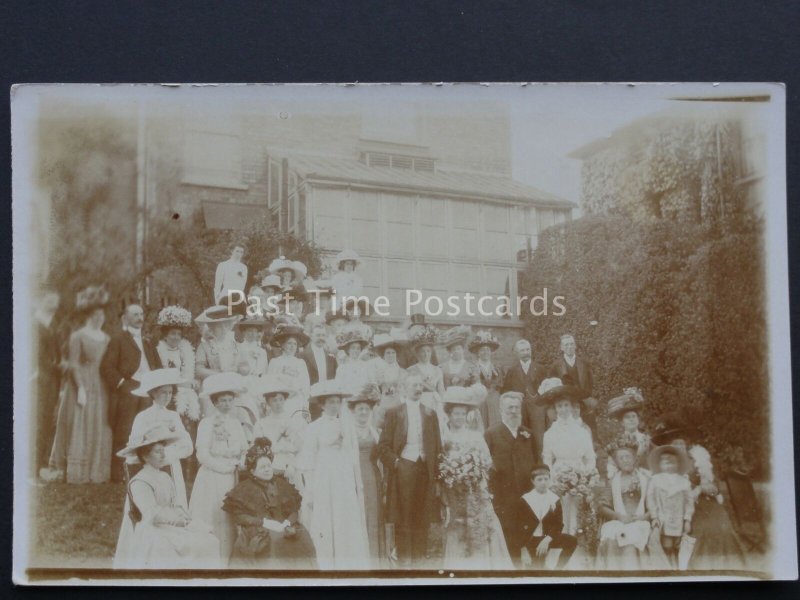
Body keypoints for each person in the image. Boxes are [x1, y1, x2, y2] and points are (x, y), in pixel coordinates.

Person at [113, 423, 220, 569]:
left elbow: (175, 504)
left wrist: (184, 518)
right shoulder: (139, 482)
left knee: (209, 540)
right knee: (173, 548)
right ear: (145, 455)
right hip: (153, 530)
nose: (163, 455)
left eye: (163, 450)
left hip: (172, 526)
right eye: (158, 452)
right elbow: (152, 514)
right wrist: (177, 521)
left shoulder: (165, 476)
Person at [651, 414, 747, 570]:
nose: (680, 447)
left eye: (682, 443)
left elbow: (715, 488)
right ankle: (701, 571)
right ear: (668, 447)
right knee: (702, 531)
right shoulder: (665, 463)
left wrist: (703, 488)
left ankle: (728, 569)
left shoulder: (698, 458)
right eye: (675, 444)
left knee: (722, 528)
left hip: (705, 504)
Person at [297, 379, 370, 569]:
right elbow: (308, 460)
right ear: (322, 404)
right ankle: (326, 562)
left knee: (344, 517)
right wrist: (310, 489)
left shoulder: (347, 426)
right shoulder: (314, 427)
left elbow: (353, 457)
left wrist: (355, 482)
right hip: (324, 478)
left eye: (337, 402)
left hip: (343, 478)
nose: (334, 406)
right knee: (325, 518)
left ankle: (347, 561)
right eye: (330, 402)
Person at [439, 384, 512, 570]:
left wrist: (475, 474)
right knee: (459, 524)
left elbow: (487, 461)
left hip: (476, 489)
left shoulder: (475, 436)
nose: (459, 417)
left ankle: (485, 563)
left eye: (462, 414)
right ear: (449, 415)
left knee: (482, 522)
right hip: (455, 490)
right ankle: (460, 564)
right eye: (456, 414)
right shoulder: (444, 438)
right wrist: (453, 474)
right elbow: (441, 464)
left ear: (467, 416)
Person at [46, 286, 113, 484]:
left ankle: (97, 470)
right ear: (88, 316)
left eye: (101, 314)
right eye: (95, 314)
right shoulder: (78, 336)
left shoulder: (107, 338)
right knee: (80, 422)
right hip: (81, 382)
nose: (99, 318)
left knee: (99, 422)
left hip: (101, 384)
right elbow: (73, 363)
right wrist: (81, 387)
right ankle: (76, 471)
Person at [377, 374, 442, 567]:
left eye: (421, 385)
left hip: (425, 469)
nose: (418, 388)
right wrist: (397, 463)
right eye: (414, 385)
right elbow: (383, 447)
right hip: (404, 467)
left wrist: (437, 476)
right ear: (404, 389)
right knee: (403, 515)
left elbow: (437, 447)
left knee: (423, 514)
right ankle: (405, 560)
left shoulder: (430, 413)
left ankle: (420, 559)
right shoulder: (394, 413)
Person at [223, 438, 317, 569]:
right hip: (258, 529)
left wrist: (286, 523)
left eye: (269, 466)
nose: (267, 470)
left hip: (284, 526)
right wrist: (264, 523)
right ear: (252, 471)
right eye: (262, 467)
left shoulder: (281, 484)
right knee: (273, 541)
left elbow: (294, 511)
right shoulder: (245, 488)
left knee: (301, 539)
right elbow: (240, 516)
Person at [189, 372, 250, 567]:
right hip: (212, 475)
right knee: (214, 514)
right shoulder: (207, 424)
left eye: (229, 400)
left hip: (233, 476)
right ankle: (212, 560)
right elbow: (202, 454)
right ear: (215, 403)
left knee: (231, 517)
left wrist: (240, 461)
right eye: (222, 400)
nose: (226, 404)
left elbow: (244, 449)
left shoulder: (236, 424)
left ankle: (231, 557)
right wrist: (222, 467)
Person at [101, 303, 160, 482]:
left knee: (148, 433)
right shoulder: (118, 339)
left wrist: (156, 386)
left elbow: (157, 366)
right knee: (124, 433)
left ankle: (144, 473)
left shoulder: (148, 342)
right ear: (126, 318)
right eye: (135, 315)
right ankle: (119, 475)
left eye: (141, 314)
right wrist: (124, 385)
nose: (140, 318)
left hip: (148, 392)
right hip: (129, 392)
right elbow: (107, 367)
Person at [596, 436, 669, 570]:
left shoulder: (646, 479)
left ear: (635, 458)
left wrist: (644, 517)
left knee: (637, 536)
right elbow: (602, 506)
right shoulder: (612, 481)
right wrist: (619, 517)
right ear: (617, 462)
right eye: (621, 458)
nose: (625, 461)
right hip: (620, 521)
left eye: (628, 457)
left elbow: (654, 505)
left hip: (641, 521)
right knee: (615, 537)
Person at [127, 368, 194, 508]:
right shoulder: (143, 417)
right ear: (153, 393)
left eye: (170, 392)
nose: (167, 396)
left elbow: (186, 445)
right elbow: (134, 443)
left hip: (171, 464)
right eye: (163, 392)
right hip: (149, 466)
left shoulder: (173, 416)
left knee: (174, 501)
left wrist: (172, 454)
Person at [484, 391, 537, 566]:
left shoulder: (527, 433)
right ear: (501, 411)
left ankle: (532, 569)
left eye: (516, 407)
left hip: (527, 492)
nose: (514, 411)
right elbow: (486, 464)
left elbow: (536, 461)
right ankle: (513, 569)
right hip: (503, 493)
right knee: (509, 531)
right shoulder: (492, 433)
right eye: (509, 408)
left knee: (529, 528)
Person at [539, 377, 596, 535]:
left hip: (580, 476)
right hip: (559, 475)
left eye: (566, 405)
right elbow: (547, 459)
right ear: (555, 409)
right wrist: (552, 481)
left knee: (579, 514)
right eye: (559, 406)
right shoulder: (550, 434)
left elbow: (590, 457)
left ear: (571, 407)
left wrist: (587, 478)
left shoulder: (582, 432)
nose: (563, 409)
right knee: (562, 513)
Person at [346, 383, 386, 567]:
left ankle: (375, 557)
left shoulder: (375, 432)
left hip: (373, 475)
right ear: (353, 411)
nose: (363, 413)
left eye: (366, 409)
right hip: (354, 475)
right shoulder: (347, 433)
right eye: (360, 409)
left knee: (374, 513)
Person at [516, 465, 578, 570]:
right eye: (539, 479)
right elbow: (518, 526)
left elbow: (558, 524)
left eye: (546, 479)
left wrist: (547, 540)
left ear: (550, 479)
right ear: (533, 481)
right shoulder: (525, 499)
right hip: (530, 540)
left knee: (571, 541)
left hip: (547, 538)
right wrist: (523, 549)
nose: (543, 482)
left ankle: (558, 570)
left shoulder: (554, 499)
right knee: (537, 569)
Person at [253, 375, 307, 493]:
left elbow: (301, 448)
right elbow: (259, 451)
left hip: (291, 466)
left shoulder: (294, 422)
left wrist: (293, 465)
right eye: (274, 400)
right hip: (271, 466)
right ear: (268, 402)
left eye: (281, 399)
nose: (278, 403)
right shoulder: (261, 424)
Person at [646, 445, 695, 568]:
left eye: (672, 463)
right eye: (665, 463)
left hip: (678, 517)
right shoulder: (655, 480)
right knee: (666, 544)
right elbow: (650, 499)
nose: (669, 466)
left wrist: (687, 519)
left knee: (678, 544)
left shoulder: (683, 482)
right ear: (660, 465)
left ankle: (679, 566)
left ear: (678, 464)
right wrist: (654, 516)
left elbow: (689, 501)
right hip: (663, 517)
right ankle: (667, 567)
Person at [501, 339, 548, 458]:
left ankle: (540, 465)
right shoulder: (512, 371)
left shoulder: (541, 369)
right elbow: (506, 390)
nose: (526, 352)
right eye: (522, 350)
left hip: (537, 409)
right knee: (522, 436)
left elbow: (547, 390)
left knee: (539, 437)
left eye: (528, 349)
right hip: (519, 410)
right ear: (517, 353)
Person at [194, 306, 241, 415]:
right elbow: (198, 370)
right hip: (212, 383)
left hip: (231, 383)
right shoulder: (204, 346)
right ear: (212, 328)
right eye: (219, 327)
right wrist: (218, 373)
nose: (224, 329)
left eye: (226, 325)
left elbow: (242, 365)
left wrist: (234, 369)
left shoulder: (234, 345)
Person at [34, 289, 61, 478]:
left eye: (56, 302)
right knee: (37, 420)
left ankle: (42, 465)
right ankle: (35, 466)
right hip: (38, 379)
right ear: (41, 301)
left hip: (52, 379)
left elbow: (55, 354)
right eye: (50, 300)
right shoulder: (34, 324)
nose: (54, 305)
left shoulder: (52, 325)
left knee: (46, 421)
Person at [549, 334, 597, 437]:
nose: (569, 347)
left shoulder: (584, 363)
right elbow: (553, 385)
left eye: (571, 344)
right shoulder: (556, 365)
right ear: (561, 348)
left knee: (588, 427)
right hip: (566, 402)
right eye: (566, 345)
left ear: (575, 346)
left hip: (583, 400)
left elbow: (590, 382)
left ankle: (593, 446)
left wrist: (587, 397)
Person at [266, 321, 311, 420]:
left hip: (297, 402)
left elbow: (305, 387)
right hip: (280, 402)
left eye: (294, 344)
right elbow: (269, 384)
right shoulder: (275, 362)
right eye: (289, 343)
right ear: (283, 345)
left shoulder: (300, 363)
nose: (292, 346)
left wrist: (305, 406)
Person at [606, 388, 652, 478]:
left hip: (645, 478)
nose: (631, 420)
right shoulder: (617, 442)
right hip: (625, 480)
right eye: (627, 417)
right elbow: (611, 465)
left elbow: (653, 462)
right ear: (622, 422)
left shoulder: (646, 439)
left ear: (638, 420)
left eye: (634, 416)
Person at [405, 324, 445, 421]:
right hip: (418, 401)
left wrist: (443, 407)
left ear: (431, 353)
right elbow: (407, 391)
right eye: (422, 351)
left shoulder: (437, 369)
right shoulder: (411, 370)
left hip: (434, 402)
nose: (425, 354)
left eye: (428, 351)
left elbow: (441, 390)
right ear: (417, 353)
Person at [301, 322, 338, 420]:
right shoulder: (302, 356)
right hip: (311, 400)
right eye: (318, 335)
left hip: (327, 400)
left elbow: (335, 379)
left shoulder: (331, 358)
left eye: (323, 335)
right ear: (311, 336)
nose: (321, 338)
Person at [469, 330, 504, 429]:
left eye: (488, 350)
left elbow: (501, 387)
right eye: (482, 350)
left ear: (491, 352)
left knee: (495, 427)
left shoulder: (497, 368)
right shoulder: (472, 368)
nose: (485, 352)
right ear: (477, 352)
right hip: (479, 402)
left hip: (494, 402)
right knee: (481, 427)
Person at [371, 333, 406, 430]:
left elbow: (405, 389)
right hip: (383, 402)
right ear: (383, 355)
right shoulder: (378, 372)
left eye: (393, 353)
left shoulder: (402, 372)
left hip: (398, 402)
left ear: (396, 354)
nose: (390, 355)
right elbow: (374, 388)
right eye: (388, 353)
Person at [440, 325, 479, 389]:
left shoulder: (471, 367)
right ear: (450, 351)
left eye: (458, 349)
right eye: (453, 349)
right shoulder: (441, 367)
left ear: (463, 350)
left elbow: (476, 386)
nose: (456, 351)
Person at [214, 242, 248, 311]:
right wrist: (217, 300)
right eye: (237, 251)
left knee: (240, 319)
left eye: (241, 252)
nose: (239, 254)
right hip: (226, 296)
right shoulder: (223, 265)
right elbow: (217, 285)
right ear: (232, 251)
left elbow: (242, 286)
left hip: (239, 298)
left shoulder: (244, 267)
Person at [235, 314, 270, 378]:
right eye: (250, 331)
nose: (253, 334)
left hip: (258, 381)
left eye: (255, 331)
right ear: (243, 332)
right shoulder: (238, 348)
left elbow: (264, 371)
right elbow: (235, 366)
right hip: (242, 379)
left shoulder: (262, 351)